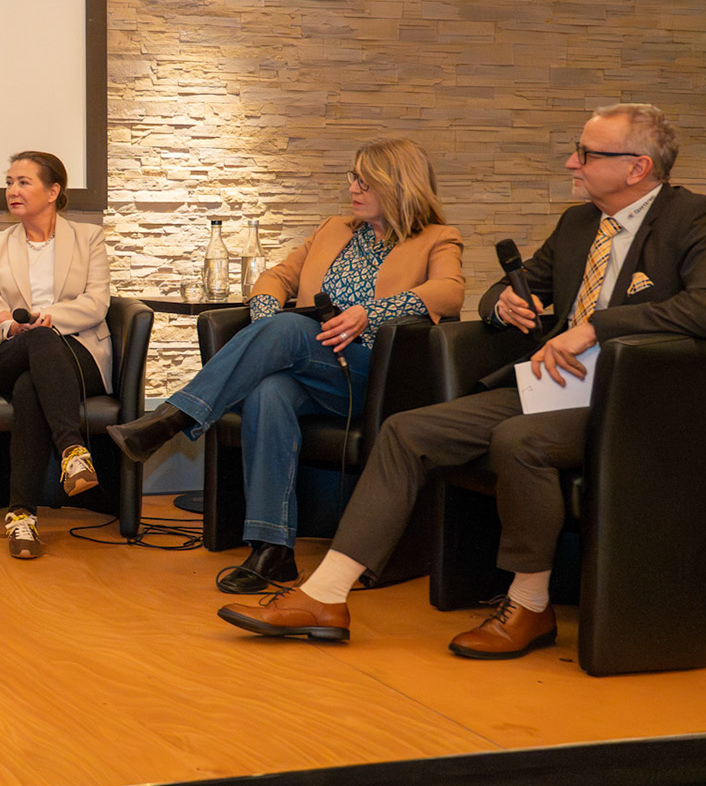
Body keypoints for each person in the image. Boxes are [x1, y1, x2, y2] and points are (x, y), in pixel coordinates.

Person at [219, 105, 706, 658]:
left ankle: (529, 607)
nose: (572, 161)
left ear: (637, 168)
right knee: (405, 432)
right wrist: (507, 305)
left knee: (519, 441)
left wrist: (595, 328)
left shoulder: (697, 219)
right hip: (554, 384)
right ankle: (325, 594)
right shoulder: (578, 224)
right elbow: (495, 294)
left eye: (587, 153)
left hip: (631, 396)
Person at [106, 138, 465, 592]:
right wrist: (264, 323)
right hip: (311, 366)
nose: (352, 187)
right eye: (351, 177)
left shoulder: (436, 238)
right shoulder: (336, 229)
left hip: (372, 375)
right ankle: (272, 549)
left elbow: (450, 292)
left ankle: (173, 417)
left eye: (363, 179)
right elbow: (275, 277)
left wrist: (368, 313)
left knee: (292, 330)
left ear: (397, 184)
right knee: (267, 389)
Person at [0, 151, 112, 559]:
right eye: (9, 182)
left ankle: (21, 518)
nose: (12, 191)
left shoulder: (89, 238)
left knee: (32, 383)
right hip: (11, 350)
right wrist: (12, 326)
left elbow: (97, 304)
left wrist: (47, 318)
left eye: (23, 182)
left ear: (53, 191)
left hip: (77, 351)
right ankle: (72, 450)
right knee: (36, 343)